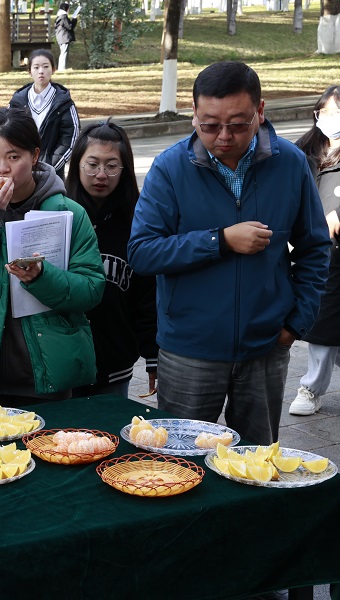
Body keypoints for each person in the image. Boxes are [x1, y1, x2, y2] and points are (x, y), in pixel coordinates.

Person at [127, 61, 331, 445]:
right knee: (177, 460)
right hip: (189, 349)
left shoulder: (290, 164)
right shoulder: (171, 167)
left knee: (256, 465)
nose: (223, 136)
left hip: (266, 347)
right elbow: (142, 252)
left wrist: (295, 324)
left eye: (238, 124)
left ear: (260, 111)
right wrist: (218, 241)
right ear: (194, 116)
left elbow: (315, 248)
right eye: (209, 125)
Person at [0, 108, 105, 406]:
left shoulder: (68, 213)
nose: (3, 168)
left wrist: (42, 277)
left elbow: (91, 289)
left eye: (14, 157)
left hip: (45, 373)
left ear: (35, 155)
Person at [65, 120, 157, 398]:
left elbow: (148, 295)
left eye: (111, 165)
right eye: (92, 164)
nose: (101, 174)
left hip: (115, 365)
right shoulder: (58, 216)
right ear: (77, 164)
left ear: (124, 169)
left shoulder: (138, 222)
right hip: (62, 363)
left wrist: (152, 356)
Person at [290, 86, 340, 416]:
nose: (332, 119)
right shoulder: (302, 152)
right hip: (318, 251)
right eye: (327, 112)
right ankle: (312, 387)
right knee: (322, 321)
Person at [8, 49, 80, 179]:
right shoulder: (17, 101)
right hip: (21, 173)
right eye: (36, 67)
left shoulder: (63, 102)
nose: (41, 71)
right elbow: (7, 132)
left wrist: (49, 168)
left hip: (53, 175)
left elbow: (70, 139)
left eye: (46, 66)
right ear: (30, 71)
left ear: (53, 69)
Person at [55, 1, 78, 71]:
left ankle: (62, 67)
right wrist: (74, 19)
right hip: (64, 37)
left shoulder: (59, 16)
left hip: (61, 37)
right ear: (66, 9)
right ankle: (62, 68)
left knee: (63, 52)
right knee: (64, 53)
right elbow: (70, 26)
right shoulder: (63, 16)